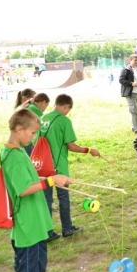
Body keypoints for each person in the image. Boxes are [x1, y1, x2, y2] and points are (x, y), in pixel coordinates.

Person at [3, 109, 71, 272]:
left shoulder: (18, 151)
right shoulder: (13, 156)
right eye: (32, 133)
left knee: (38, 266)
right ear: (19, 129)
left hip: (36, 222)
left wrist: (54, 177)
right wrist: (50, 181)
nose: (34, 138)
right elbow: (23, 189)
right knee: (28, 270)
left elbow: (29, 177)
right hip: (27, 226)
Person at [39, 94, 100, 241]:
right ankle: (67, 228)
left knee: (46, 200)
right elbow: (71, 146)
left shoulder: (42, 119)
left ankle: (47, 232)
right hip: (58, 168)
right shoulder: (64, 121)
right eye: (68, 110)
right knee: (63, 198)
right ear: (65, 106)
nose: (67, 112)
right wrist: (89, 150)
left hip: (42, 167)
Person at [119, 54, 137, 134]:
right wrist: (131, 83)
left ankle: (133, 126)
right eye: (135, 60)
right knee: (134, 110)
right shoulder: (126, 70)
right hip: (130, 93)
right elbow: (121, 80)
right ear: (130, 60)